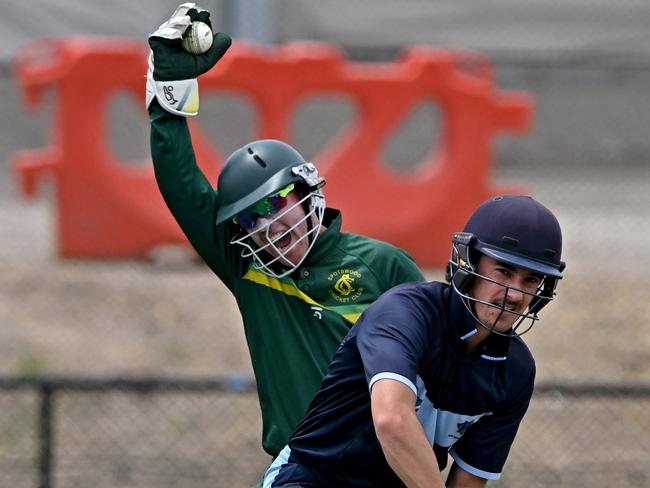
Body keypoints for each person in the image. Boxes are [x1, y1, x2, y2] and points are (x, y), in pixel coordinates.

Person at [145, 2, 425, 463]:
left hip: (380, 468)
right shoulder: (248, 268)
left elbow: (440, 358)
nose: (270, 225)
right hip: (299, 468)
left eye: (277, 203)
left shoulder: (384, 264)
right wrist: (168, 95)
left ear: (305, 194)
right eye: (253, 218)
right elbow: (182, 188)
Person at [263, 195, 566, 488]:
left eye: (530, 280)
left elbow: (469, 480)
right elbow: (391, 419)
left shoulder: (515, 370)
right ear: (468, 263)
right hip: (313, 477)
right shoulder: (404, 313)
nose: (515, 294)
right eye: (504, 271)